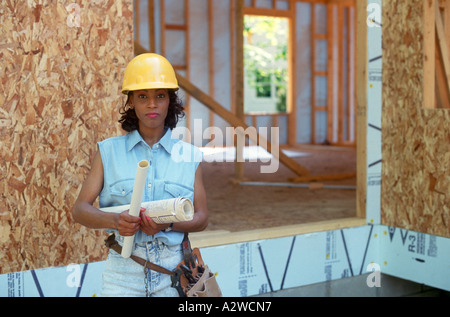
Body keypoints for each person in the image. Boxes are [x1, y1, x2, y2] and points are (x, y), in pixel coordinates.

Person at [72, 53, 208, 297]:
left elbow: (202, 217)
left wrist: (167, 224)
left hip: (173, 272)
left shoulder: (190, 156)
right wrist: (116, 222)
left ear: (170, 101)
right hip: (124, 269)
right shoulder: (108, 151)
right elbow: (80, 210)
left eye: (160, 96)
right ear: (131, 102)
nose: (152, 104)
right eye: (143, 96)